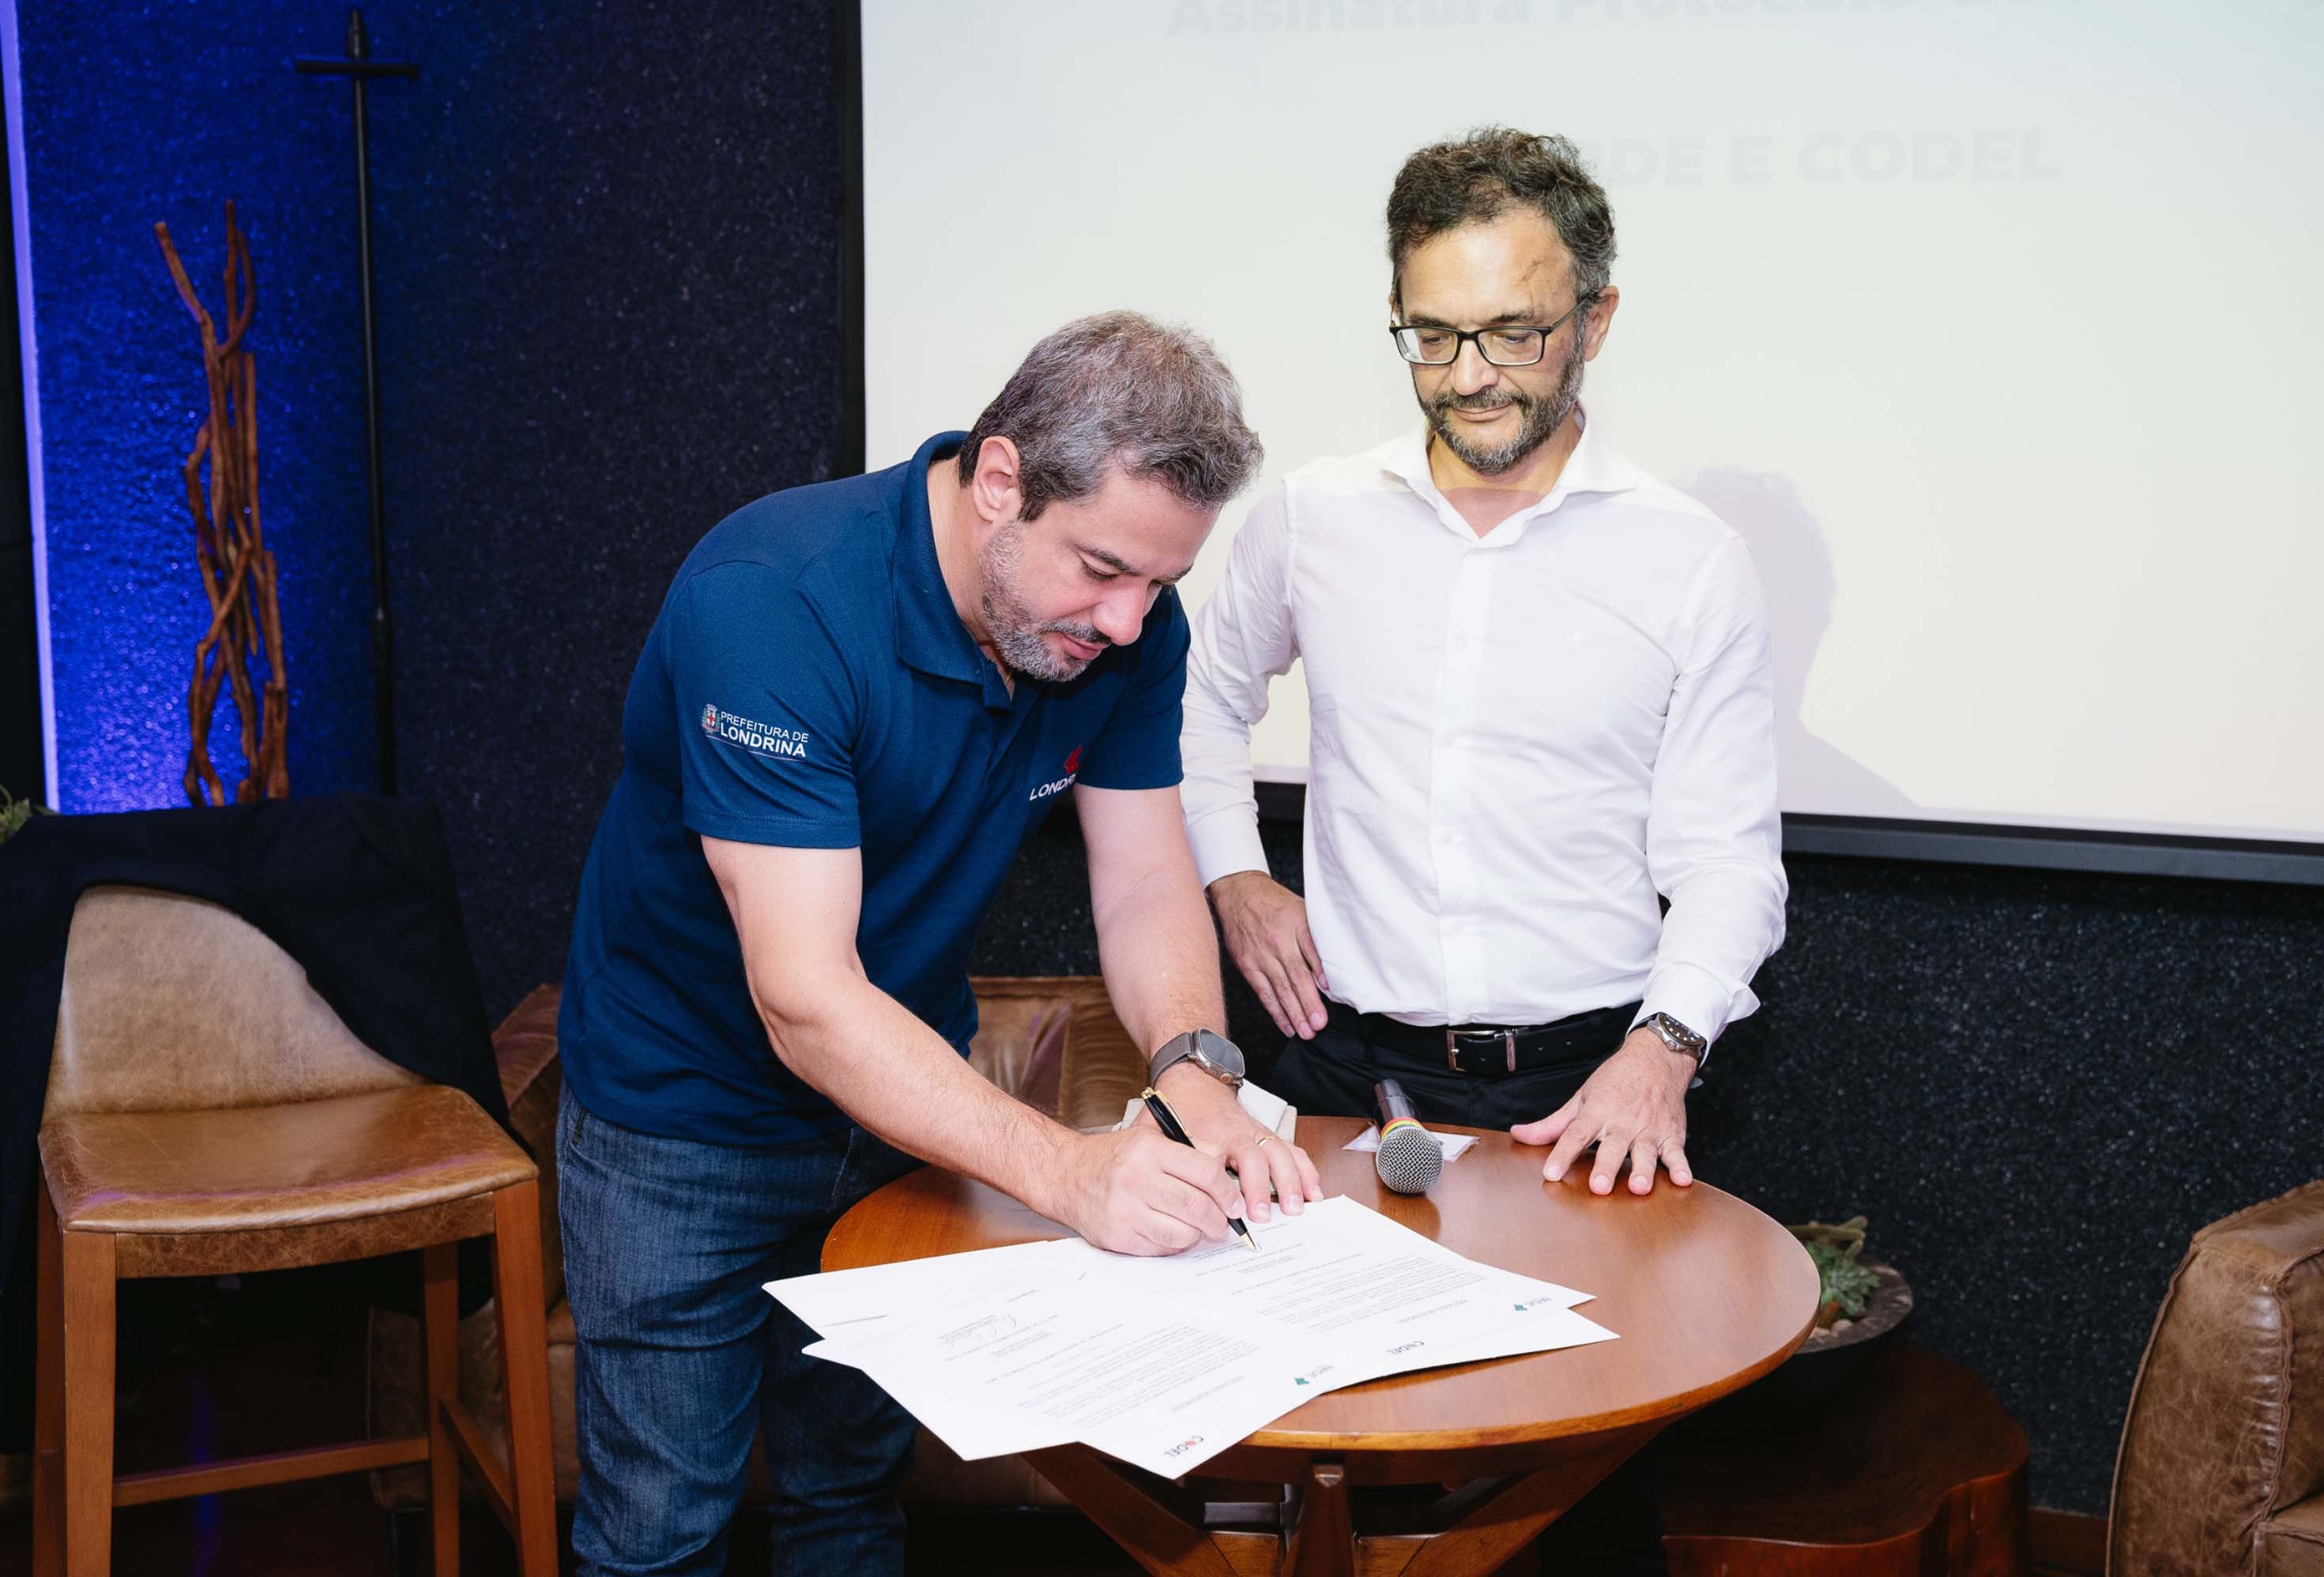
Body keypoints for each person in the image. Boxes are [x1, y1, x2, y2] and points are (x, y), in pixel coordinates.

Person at [557, 311, 1322, 1577]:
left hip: (902, 1121)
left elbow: (1144, 880)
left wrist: (1195, 1069)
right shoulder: (775, 603)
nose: (1129, 623)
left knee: (852, 1499)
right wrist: (1070, 1174)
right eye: (1102, 570)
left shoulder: (1127, 627)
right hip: (683, 1121)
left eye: (1159, 584)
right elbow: (806, 997)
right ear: (1001, 481)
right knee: (661, 1534)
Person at [1179, 130, 1790, 1572]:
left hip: (1586, 1101)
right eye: (1433, 334)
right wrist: (1234, 871)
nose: (1471, 376)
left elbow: (1730, 859)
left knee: (1577, 1505)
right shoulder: (1312, 518)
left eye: (1514, 331)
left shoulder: (1687, 557)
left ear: (1596, 319)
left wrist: (1665, 1049)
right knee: (1323, 1471)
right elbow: (1197, 701)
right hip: (1338, 1075)